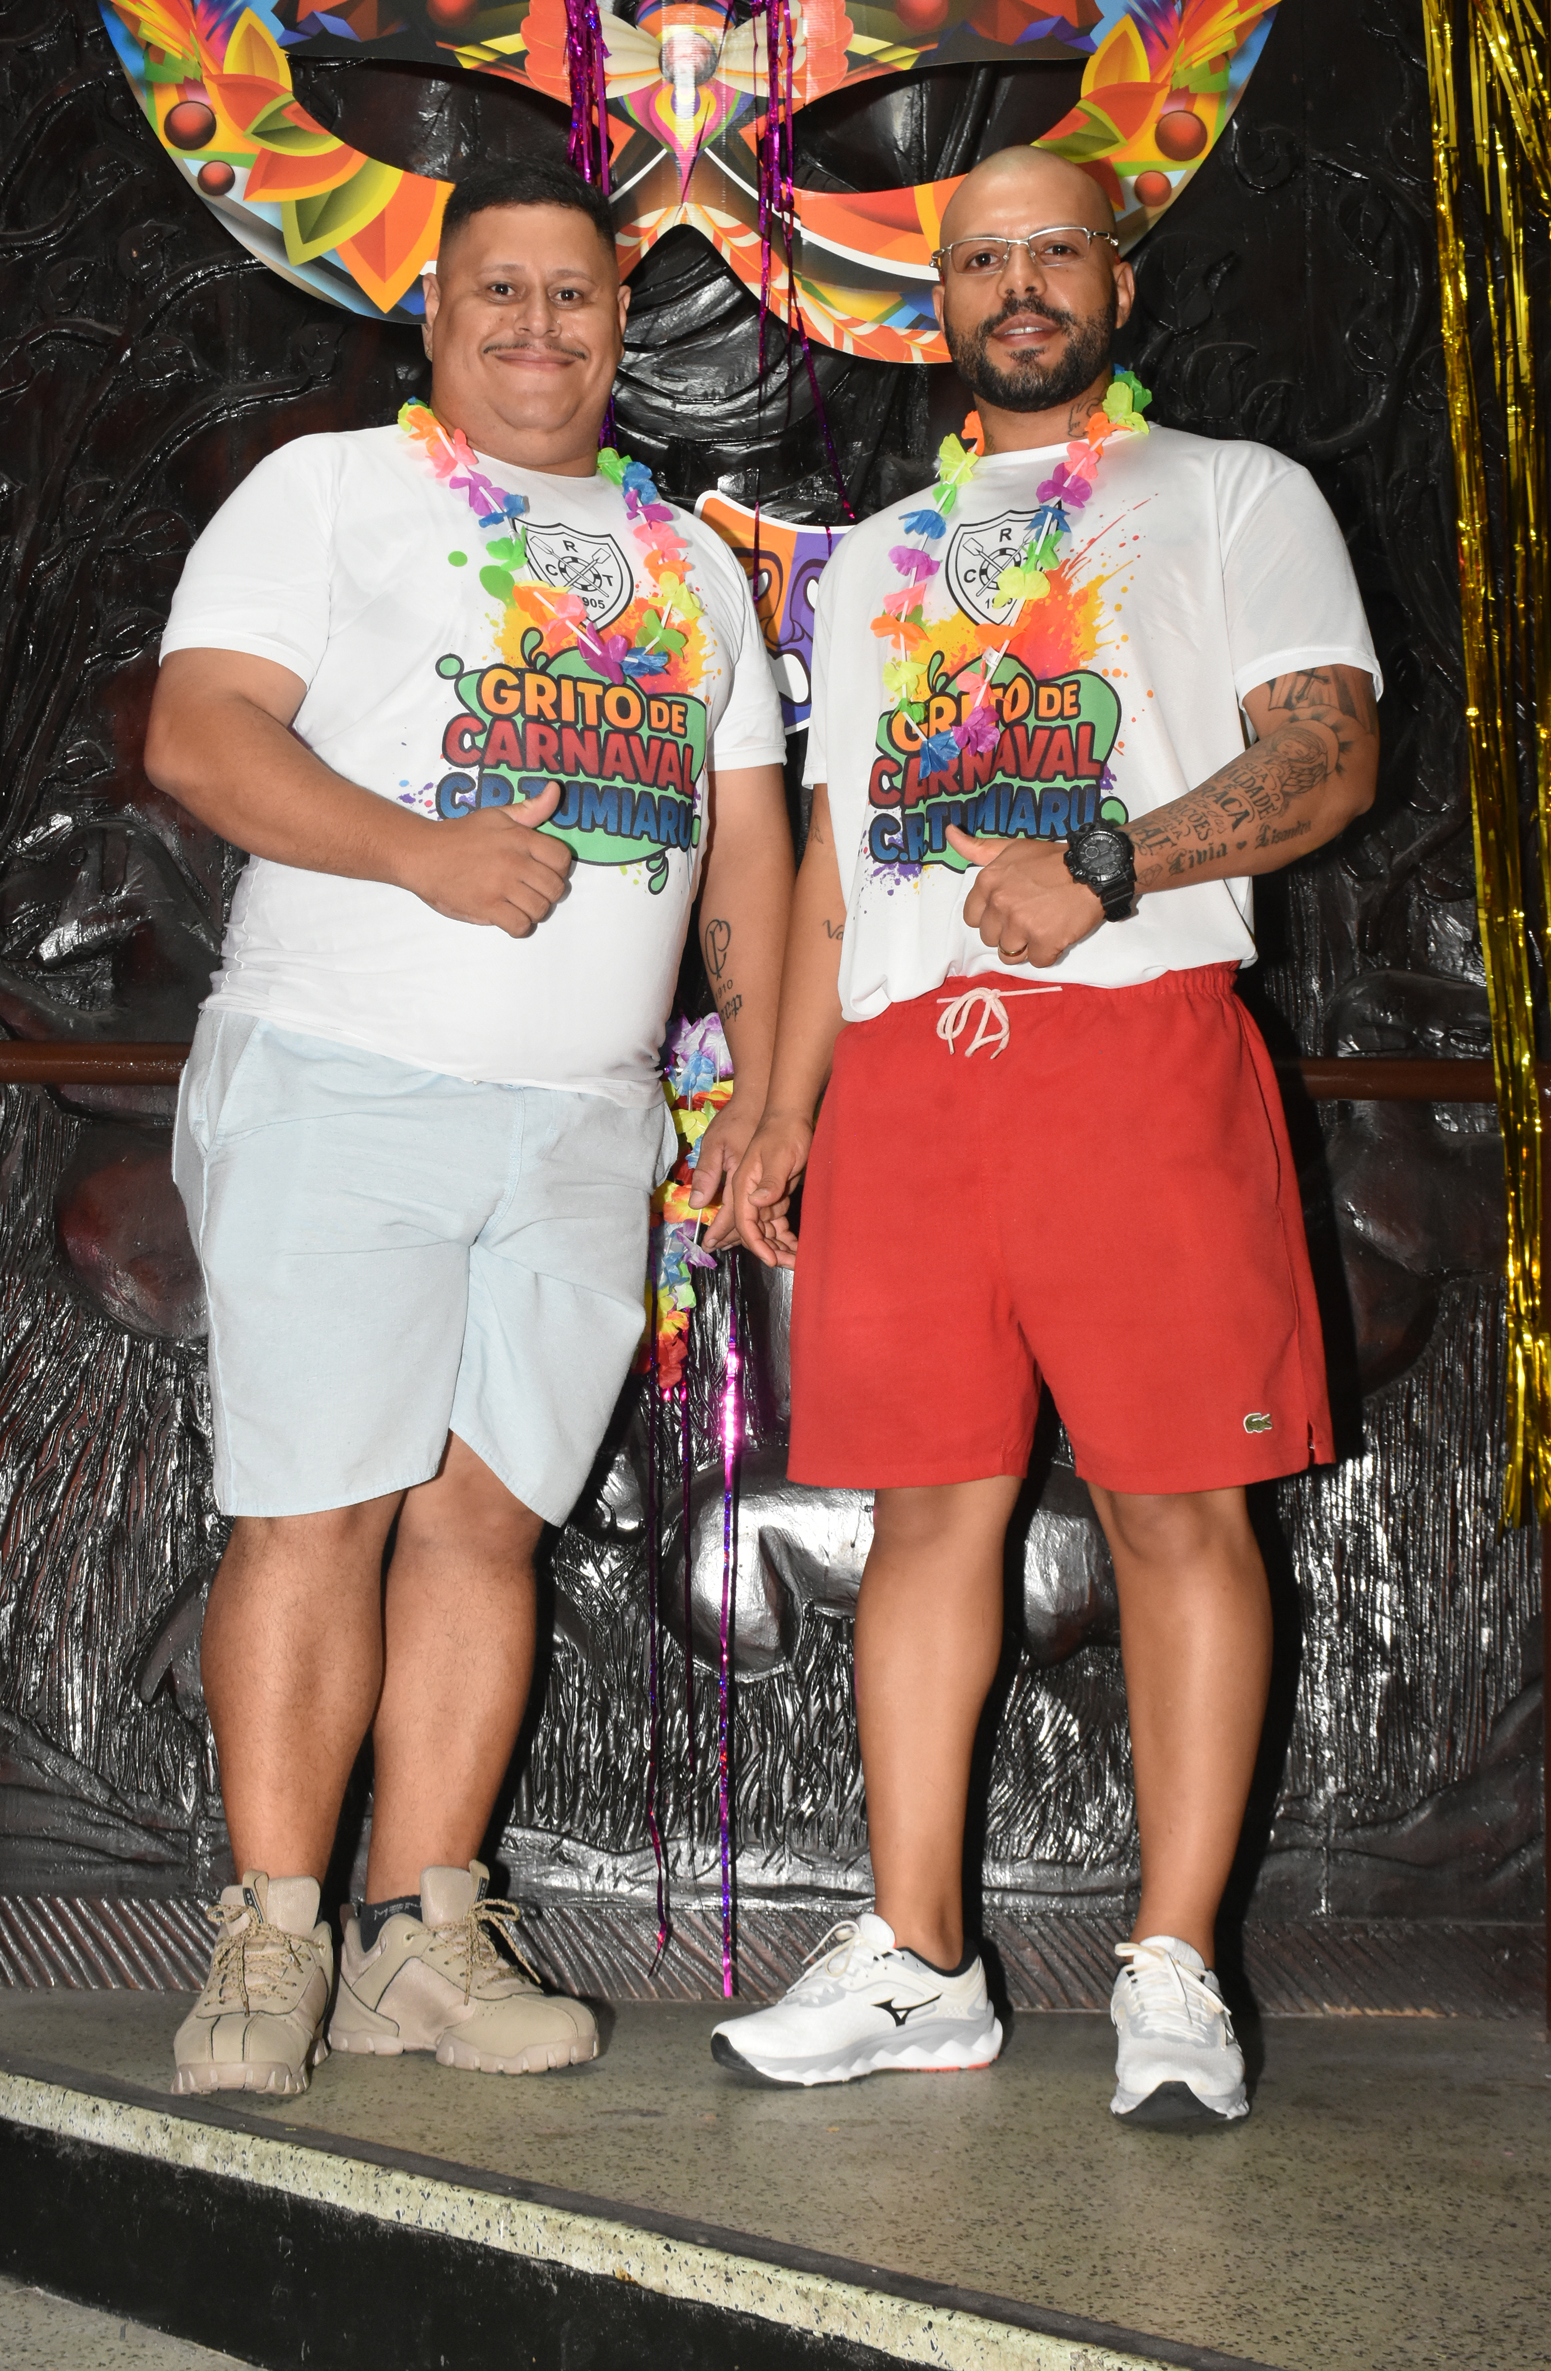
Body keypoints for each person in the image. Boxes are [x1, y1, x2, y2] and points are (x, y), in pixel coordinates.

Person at [718, 145, 1379, 2126]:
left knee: (1179, 1508)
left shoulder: (1235, 491)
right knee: (923, 1517)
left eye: (1053, 251)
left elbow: (1327, 754)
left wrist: (1106, 861)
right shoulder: (875, 555)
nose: (1018, 284)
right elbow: (834, 858)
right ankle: (919, 1959)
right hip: (910, 1076)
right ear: (937, 299)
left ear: (1115, 280)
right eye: (980, 257)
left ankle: (1174, 1967)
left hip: (1137, 1049)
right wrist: (779, 1106)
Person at [145, 161, 790, 2097]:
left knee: (486, 1525)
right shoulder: (330, 492)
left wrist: (768, 1091)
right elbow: (200, 730)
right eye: (497, 291)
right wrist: (417, 852)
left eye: (572, 295)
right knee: (315, 1508)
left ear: (621, 325)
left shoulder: (692, 568)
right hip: (340, 1068)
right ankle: (270, 1932)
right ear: (431, 317)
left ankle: (416, 1940)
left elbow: (748, 849)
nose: (537, 326)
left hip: (588, 1122)